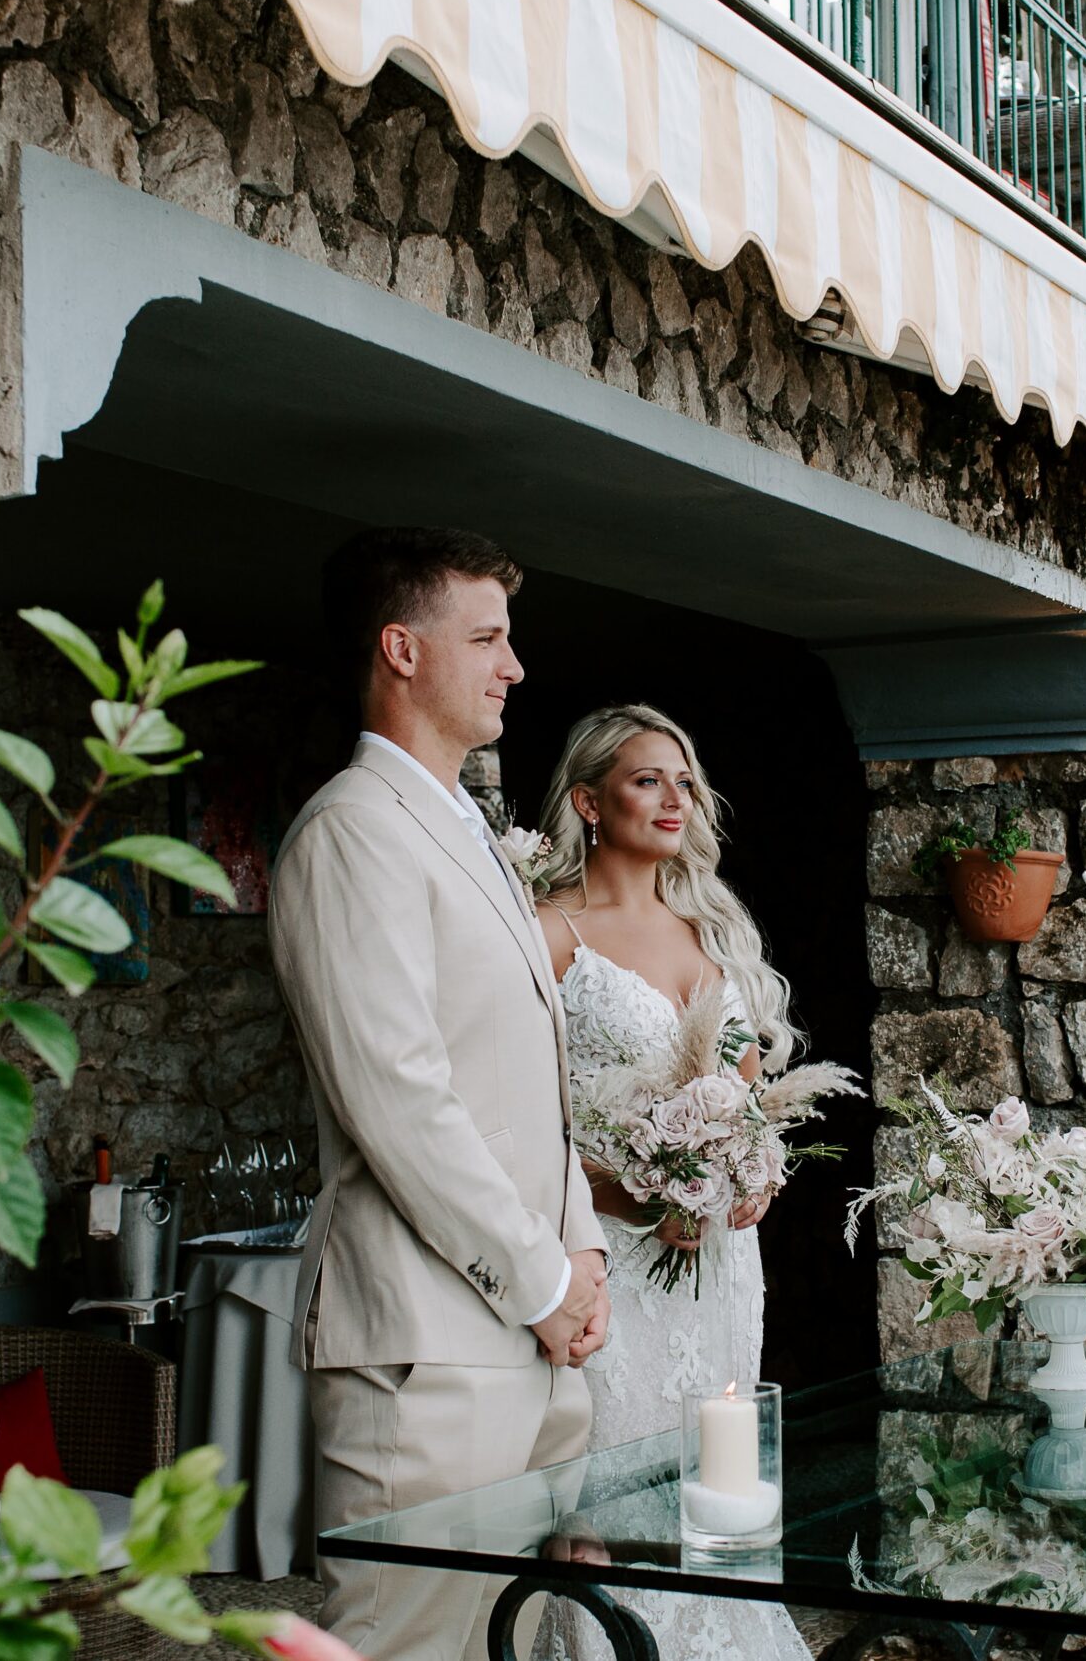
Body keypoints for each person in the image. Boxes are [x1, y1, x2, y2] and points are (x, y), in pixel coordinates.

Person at [271, 526, 612, 1661]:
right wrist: (541, 1278)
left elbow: (532, 1081)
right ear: (401, 648)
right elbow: (398, 1096)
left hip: (532, 1337)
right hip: (423, 1345)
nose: (513, 664)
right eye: (487, 637)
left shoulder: (466, 828)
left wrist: (583, 1251)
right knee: (407, 1646)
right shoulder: (350, 830)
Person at [528, 705, 810, 1661]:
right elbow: (521, 1118)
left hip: (725, 1268)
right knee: (615, 1492)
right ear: (589, 801)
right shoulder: (550, 931)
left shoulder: (711, 928)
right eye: (649, 779)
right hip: (617, 1267)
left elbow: (744, 1091)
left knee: (720, 1481)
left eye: (684, 781)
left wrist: (751, 1169)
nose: (674, 798)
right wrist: (626, 1194)